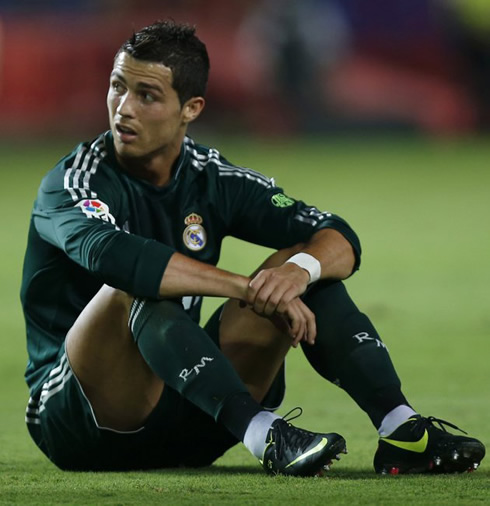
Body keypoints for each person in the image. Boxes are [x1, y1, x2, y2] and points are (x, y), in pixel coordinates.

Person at [21, 20, 485, 476]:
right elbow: (114, 258)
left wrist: (298, 272)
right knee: (131, 287)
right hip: (83, 423)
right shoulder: (74, 181)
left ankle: (402, 429)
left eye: (147, 96)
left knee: (302, 268)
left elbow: (337, 234)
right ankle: (266, 433)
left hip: (190, 412)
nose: (123, 108)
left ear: (192, 108)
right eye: (117, 86)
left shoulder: (212, 177)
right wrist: (246, 288)